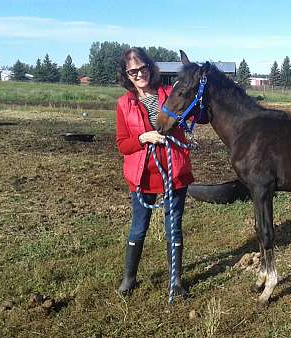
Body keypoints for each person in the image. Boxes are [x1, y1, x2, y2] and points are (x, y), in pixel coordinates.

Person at [115, 47, 194, 298]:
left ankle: (176, 281)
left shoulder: (170, 94)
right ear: (127, 75)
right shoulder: (124, 104)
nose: (139, 74)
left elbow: (194, 111)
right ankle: (129, 278)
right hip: (142, 176)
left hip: (173, 172)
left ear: (150, 67)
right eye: (133, 71)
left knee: (174, 227)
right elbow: (122, 145)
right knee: (139, 227)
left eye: (142, 68)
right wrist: (143, 137)